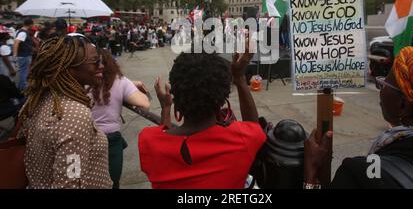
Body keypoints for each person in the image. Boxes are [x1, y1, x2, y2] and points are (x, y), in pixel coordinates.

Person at [304, 47, 413, 189]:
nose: (381, 86)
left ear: (404, 106)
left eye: (384, 84)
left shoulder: (361, 175)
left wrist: (311, 174)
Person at [138, 50, 266, 189]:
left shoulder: (147, 141)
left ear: (176, 93)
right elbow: (254, 127)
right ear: (222, 97)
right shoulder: (242, 140)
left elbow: (162, 141)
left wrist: (166, 109)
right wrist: (239, 78)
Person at [20, 35, 112, 188]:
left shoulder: (39, 100)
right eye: (95, 61)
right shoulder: (74, 115)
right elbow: (70, 182)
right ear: (68, 68)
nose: (101, 65)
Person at [89, 49, 150, 189]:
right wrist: (129, 84)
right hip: (110, 140)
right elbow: (144, 104)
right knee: (112, 182)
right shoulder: (120, 81)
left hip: (83, 137)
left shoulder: (75, 82)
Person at [13, 18, 34, 91]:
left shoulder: (21, 31)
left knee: (23, 71)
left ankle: (21, 86)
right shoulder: (23, 33)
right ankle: (22, 87)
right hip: (24, 56)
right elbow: (16, 43)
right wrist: (15, 54)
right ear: (30, 24)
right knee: (23, 72)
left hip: (24, 55)